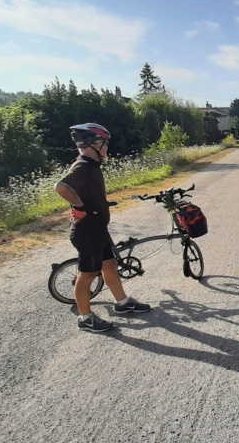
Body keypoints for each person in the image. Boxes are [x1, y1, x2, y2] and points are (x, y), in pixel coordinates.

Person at [54, 123, 151, 332]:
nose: (107, 148)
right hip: (87, 231)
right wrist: (82, 207)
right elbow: (61, 187)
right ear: (94, 144)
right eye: (105, 144)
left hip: (98, 229)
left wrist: (98, 204)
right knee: (87, 274)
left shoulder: (92, 166)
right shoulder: (83, 166)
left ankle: (122, 303)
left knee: (109, 266)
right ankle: (85, 318)